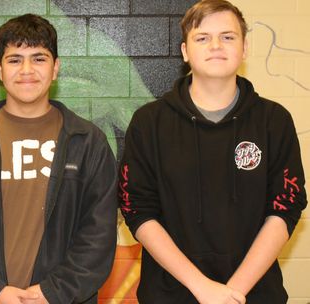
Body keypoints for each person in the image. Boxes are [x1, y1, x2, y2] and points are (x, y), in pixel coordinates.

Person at [118, 0, 307, 303]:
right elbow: (137, 209)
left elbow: (285, 206)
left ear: (244, 48)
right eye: (202, 37)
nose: (216, 45)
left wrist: (234, 292)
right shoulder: (149, 122)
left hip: (253, 294)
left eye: (228, 37)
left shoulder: (274, 121)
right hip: (170, 294)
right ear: (184, 51)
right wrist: (202, 287)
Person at [0, 13, 118, 304]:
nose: (26, 70)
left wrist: (52, 292)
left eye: (38, 58)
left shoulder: (87, 143)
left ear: (56, 68)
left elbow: (98, 234)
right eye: (14, 59)